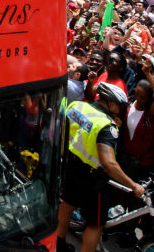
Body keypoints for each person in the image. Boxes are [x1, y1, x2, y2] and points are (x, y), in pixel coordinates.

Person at [56, 82, 144, 252]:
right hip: (93, 178)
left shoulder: (77, 106)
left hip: (72, 165)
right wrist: (133, 185)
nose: (121, 110)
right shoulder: (106, 126)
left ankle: (58, 244)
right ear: (111, 103)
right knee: (96, 224)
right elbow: (108, 163)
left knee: (67, 204)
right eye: (120, 106)